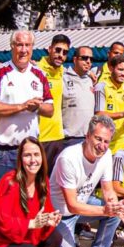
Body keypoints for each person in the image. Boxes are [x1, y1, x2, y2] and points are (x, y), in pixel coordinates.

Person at [50, 115, 124, 247]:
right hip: (59, 214)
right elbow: (72, 205)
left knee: (115, 209)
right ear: (87, 136)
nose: (102, 145)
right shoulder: (68, 158)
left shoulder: (106, 155)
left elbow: (108, 190)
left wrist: (113, 205)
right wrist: (105, 210)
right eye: (98, 139)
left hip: (81, 205)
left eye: (106, 141)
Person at [0, 31, 54, 190]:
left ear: (32, 47)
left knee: (28, 200)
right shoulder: (0, 73)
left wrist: (37, 107)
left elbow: (50, 110)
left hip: (30, 152)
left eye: (27, 45)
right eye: (19, 45)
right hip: (4, 151)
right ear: (12, 46)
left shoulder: (40, 74)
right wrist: (22, 106)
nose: (23, 50)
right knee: (2, 202)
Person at [37, 34, 70, 172]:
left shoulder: (63, 71)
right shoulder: (36, 70)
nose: (60, 55)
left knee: (52, 184)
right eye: (57, 50)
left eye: (65, 52)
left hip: (58, 137)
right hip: (40, 137)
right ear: (49, 49)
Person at [94, 54, 124, 153]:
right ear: (111, 68)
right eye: (120, 69)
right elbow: (98, 114)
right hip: (102, 142)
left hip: (120, 143)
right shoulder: (101, 87)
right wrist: (123, 113)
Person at [62, 46, 97, 149]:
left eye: (91, 59)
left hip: (88, 138)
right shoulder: (63, 77)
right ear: (75, 59)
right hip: (69, 139)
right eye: (84, 58)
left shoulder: (91, 80)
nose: (88, 61)